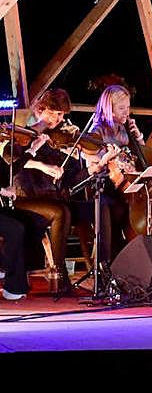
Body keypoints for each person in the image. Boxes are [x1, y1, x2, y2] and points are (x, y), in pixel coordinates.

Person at [1, 88, 93, 296]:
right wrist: (43, 165)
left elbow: (70, 175)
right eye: (56, 113)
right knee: (60, 212)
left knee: (64, 210)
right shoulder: (24, 132)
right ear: (42, 109)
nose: (59, 119)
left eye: (62, 115)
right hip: (22, 197)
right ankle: (59, 275)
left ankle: (61, 274)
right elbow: (10, 159)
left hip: (46, 197)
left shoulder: (54, 138)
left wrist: (85, 163)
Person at [83, 84, 144, 273]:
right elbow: (91, 168)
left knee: (129, 209)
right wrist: (104, 159)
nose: (126, 112)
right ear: (109, 108)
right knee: (108, 208)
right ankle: (105, 267)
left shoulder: (125, 129)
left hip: (124, 187)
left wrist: (139, 138)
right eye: (121, 108)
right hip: (102, 186)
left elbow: (143, 159)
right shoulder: (97, 130)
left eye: (128, 107)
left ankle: (131, 263)